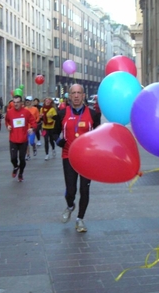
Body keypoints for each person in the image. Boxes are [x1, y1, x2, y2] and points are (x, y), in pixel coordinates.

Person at [54, 84, 100, 233]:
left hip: (87, 159)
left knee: (84, 190)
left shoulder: (93, 114)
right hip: (68, 156)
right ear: (69, 95)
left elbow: (99, 134)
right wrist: (58, 141)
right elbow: (53, 132)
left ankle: (80, 219)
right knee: (71, 189)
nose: (76, 96)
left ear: (83, 95)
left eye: (79, 93)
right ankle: (70, 205)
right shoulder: (61, 113)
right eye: (73, 93)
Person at [5, 92, 37, 182]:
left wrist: (31, 128)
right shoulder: (10, 112)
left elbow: (34, 122)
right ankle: (15, 167)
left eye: (17, 102)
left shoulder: (26, 112)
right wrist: (8, 126)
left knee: (22, 159)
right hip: (13, 139)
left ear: (21, 103)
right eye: (14, 102)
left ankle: (21, 173)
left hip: (23, 140)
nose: (16, 104)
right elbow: (6, 121)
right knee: (13, 158)